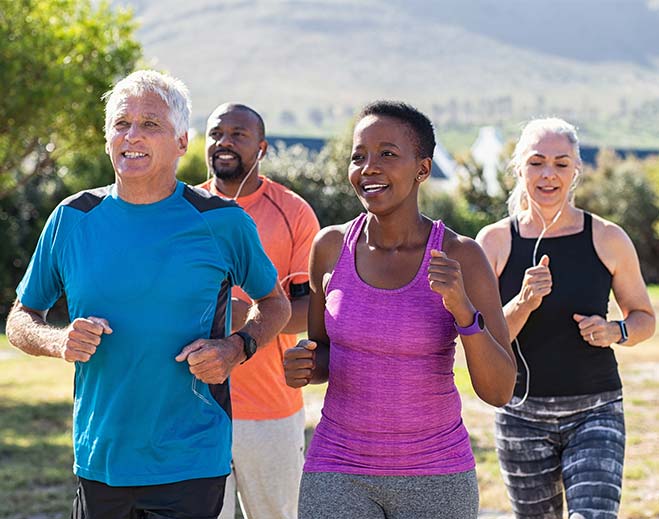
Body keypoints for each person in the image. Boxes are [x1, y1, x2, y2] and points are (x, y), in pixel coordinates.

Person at [5, 70, 291, 519]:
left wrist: (236, 347)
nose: (132, 135)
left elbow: (275, 303)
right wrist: (60, 342)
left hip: (191, 459)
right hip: (100, 458)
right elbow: (20, 318)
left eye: (150, 124)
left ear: (181, 142)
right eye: (121, 124)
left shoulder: (222, 221)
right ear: (107, 139)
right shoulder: (71, 218)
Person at [283, 101, 517, 519]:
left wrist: (462, 310)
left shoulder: (462, 255)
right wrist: (305, 362)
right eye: (359, 156)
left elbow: (499, 390)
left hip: (435, 475)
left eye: (387, 154)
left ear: (422, 169)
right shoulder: (330, 247)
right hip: (337, 467)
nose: (368, 167)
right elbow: (323, 355)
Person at [476, 117, 656, 519]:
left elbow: (645, 317)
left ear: (576, 170)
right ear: (519, 167)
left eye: (561, 163)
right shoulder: (494, 242)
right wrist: (523, 301)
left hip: (596, 409)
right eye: (537, 162)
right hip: (520, 415)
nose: (548, 174)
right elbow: (480, 339)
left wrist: (616, 330)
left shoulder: (608, 237)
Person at [198, 103, 320, 519]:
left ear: (262, 147)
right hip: (193, 406)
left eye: (238, 134)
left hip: (270, 408)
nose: (224, 142)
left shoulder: (294, 212)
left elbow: (314, 309)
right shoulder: (182, 211)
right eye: (216, 134)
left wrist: (248, 313)